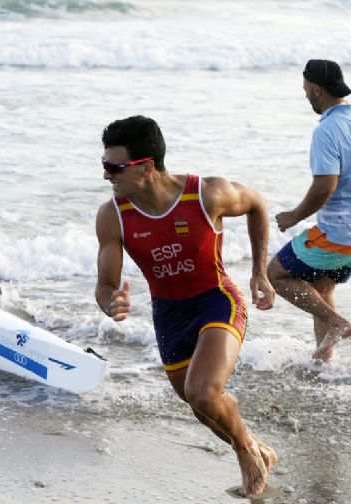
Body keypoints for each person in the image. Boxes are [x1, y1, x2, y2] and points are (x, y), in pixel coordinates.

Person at [95, 115, 277, 498]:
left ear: (144, 166)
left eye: (114, 167)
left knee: (202, 391)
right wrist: (112, 302)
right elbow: (105, 284)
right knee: (202, 407)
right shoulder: (113, 216)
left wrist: (260, 273)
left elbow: (257, 204)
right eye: (104, 165)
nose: (107, 176)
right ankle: (260, 449)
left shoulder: (205, 194)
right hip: (169, 315)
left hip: (217, 300)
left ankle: (247, 452)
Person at [268, 60, 351, 361]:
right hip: (346, 237)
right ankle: (322, 364)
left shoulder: (328, 130)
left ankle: (338, 323)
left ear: (316, 89)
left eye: (305, 90)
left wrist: (294, 216)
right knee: (320, 286)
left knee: (276, 274)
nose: (305, 96)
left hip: (340, 232)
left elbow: (324, 186)